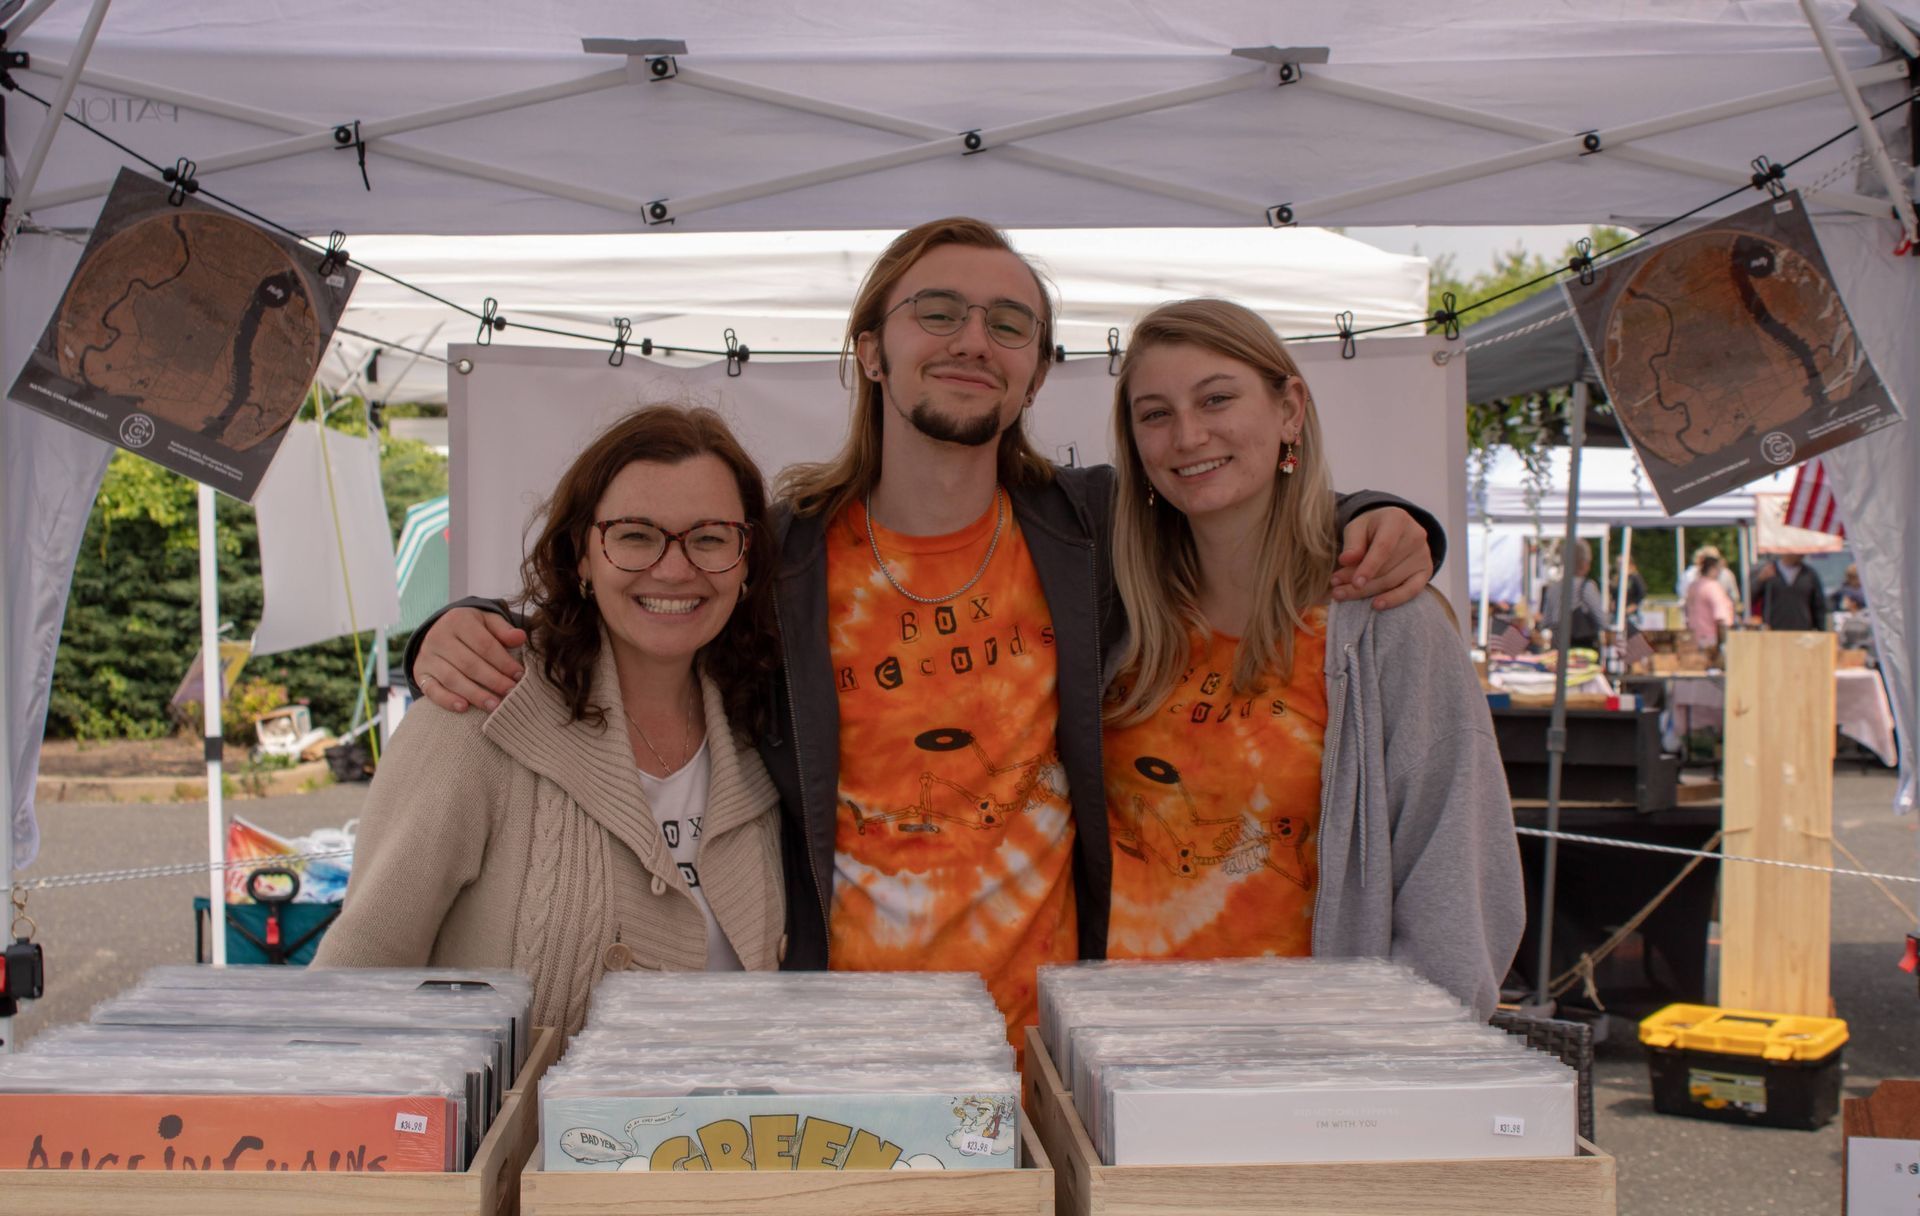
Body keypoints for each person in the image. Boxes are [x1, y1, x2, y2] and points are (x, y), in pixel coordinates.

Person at [405, 218, 1444, 1044]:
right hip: (846, 1051)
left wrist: (1383, 517)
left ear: (1037, 370)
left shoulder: (1093, 529)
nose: (972, 340)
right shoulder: (786, 553)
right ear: (871, 350)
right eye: (937, 312)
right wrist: (465, 626)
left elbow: (1235, 498)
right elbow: (647, 594)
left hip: (1056, 1059)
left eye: (1009, 323)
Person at [1098, 299, 1522, 1016]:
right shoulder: (1118, 615)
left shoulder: (1387, 622)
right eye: (1156, 414)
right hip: (1119, 1046)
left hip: (1310, 1060)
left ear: (1290, 409)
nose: (1188, 435)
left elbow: (1457, 902)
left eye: (1216, 399)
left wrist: (1382, 1062)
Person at [316, 406, 787, 1034]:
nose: (675, 568)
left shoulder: (768, 727)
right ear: (581, 556)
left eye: (709, 538)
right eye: (635, 535)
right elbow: (352, 986)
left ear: (747, 557)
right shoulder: (478, 718)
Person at [1534, 539, 1605, 650]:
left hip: (1558, 645)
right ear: (1583, 563)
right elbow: (1601, 619)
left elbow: (1546, 621)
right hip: (1582, 647)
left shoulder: (1553, 588)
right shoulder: (1586, 586)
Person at [1757, 552, 1829, 631]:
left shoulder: (1809, 575)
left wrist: (1821, 630)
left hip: (1802, 631)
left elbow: (1819, 607)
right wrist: (1760, 580)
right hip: (1774, 630)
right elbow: (1751, 597)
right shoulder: (1769, 571)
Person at [1683, 552, 1736, 652]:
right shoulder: (1713, 587)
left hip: (1694, 636)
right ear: (1712, 569)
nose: (1719, 573)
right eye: (1718, 569)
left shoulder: (1693, 586)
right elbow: (1721, 618)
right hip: (1711, 639)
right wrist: (1723, 643)